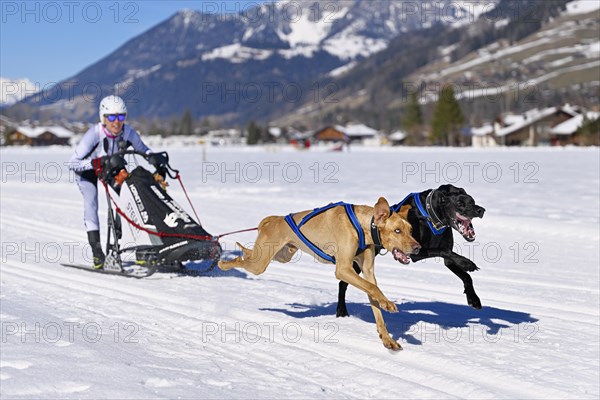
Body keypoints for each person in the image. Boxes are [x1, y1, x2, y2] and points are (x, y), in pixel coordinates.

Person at [69, 95, 166, 269]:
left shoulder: (128, 132)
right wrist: (94, 163)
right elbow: (73, 162)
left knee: (133, 198)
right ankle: (97, 252)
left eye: (121, 116)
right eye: (111, 117)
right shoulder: (94, 134)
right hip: (87, 171)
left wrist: (156, 160)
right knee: (91, 203)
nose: (116, 122)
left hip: (111, 168)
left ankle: (142, 249)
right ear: (103, 118)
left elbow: (143, 150)